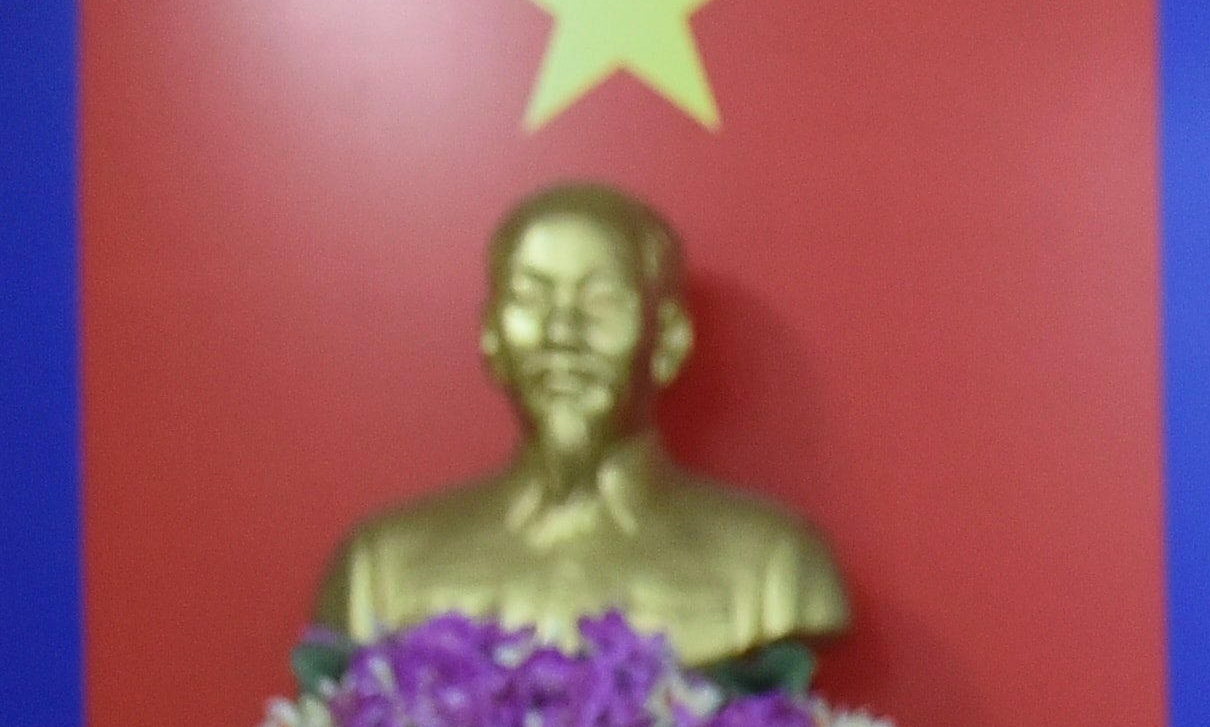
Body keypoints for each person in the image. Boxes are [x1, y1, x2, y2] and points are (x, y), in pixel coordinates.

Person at [314, 181, 853, 670]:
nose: (562, 334)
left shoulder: (773, 569)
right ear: (491, 337)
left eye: (601, 301)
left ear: (668, 340)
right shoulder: (381, 569)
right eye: (531, 298)